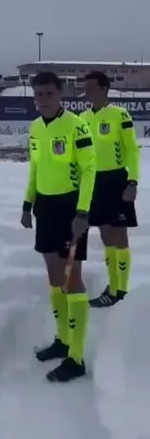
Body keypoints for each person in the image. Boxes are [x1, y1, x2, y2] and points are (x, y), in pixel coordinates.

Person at [21, 71, 96, 383]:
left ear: (60, 94)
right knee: (55, 278)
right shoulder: (36, 128)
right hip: (45, 208)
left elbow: (89, 170)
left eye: (49, 93)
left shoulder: (77, 126)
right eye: (39, 94)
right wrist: (27, 204)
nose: (44, 99)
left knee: (72, 279)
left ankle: (76, 358)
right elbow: (36, 168)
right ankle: (63, 340)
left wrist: (82, 212)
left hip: (70, 209)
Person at [82, 71, 140, 308]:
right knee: (106, 235)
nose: (87, 92)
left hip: (116, 180)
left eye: (91, 87)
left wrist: (132, 182)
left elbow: (132, 149)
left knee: (119, 235)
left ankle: (120, 289)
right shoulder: (83, 118)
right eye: (85, 88)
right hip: (94, 182)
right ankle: (112, 286)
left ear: (104, 89)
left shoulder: (119, 115)